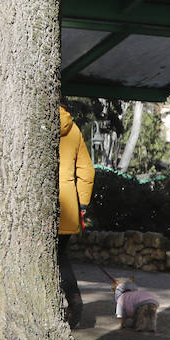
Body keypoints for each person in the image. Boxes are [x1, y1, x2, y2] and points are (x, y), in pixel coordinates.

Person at [57, 104, 94, 328]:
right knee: (60, 256)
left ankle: (69, 298)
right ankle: (73, 298)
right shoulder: (73, 129)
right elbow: (87, 170)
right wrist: (83, 205)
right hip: (68, 205)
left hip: (44, 201)